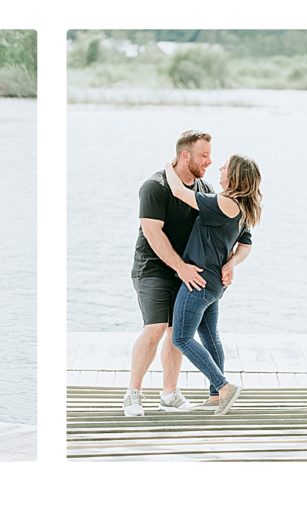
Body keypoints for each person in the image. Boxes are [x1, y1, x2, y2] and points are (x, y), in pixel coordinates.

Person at [123, 130, 215, 417]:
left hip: (184, 272)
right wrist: (181, 268)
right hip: (152, 268)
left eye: (210, 155)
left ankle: (169, 394)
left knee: (178, 333)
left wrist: (227, 266)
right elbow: (152, 232)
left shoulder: (206, 190)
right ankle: (132, 394)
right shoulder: (154, 186)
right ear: (184, 155)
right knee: (155, 329)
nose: (209, 161)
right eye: (204, 155)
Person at [165, 154, 260, 415]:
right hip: (215, 283)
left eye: (225, 167)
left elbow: (176, 190)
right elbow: (246, 244)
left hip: (199, 280)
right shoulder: (244, 207)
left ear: (235, 175)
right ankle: (217, 395)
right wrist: (231, 264)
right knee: (209, 336)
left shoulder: (225, 202)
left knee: (181, 337)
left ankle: (224, 386)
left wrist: (171, 164)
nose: (219, 168)